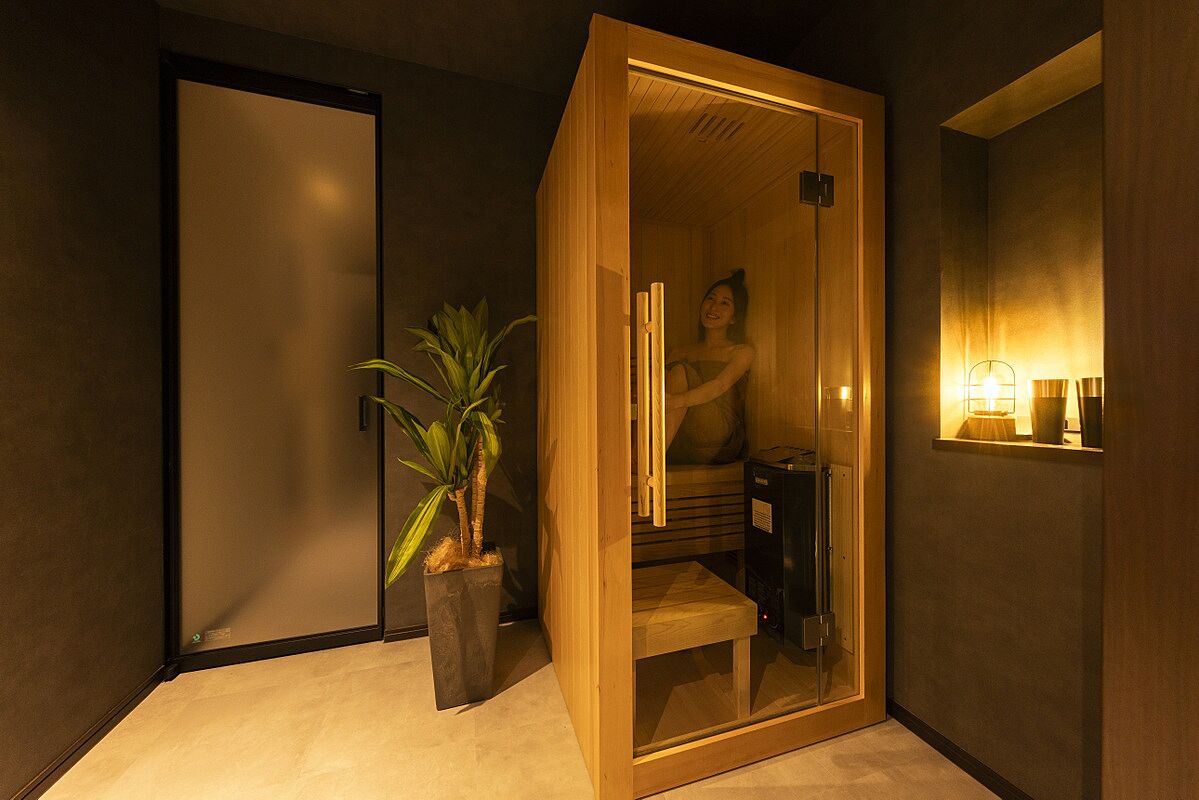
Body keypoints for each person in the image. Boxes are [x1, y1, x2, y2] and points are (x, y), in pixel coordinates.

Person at [664, 269, 754, 464]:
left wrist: (677, 401)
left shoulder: (740, 352)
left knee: (679, 371)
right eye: (711, 298)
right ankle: (641, 456)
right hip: (682, 435)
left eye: (724, 303)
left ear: (734, 317)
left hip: (719, 439)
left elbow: (720, 385)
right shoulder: (680, 352)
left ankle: (646, 458)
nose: (713, 307)